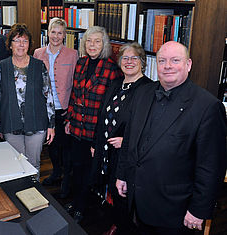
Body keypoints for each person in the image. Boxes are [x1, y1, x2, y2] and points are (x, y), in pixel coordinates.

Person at [116, 41, 227, 235]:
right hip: (137, 199)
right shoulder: (142, 92)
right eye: (162, 61)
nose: (167, 66)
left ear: (188, 64)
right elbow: (129, 139)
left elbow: (211, 166)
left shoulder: (208, 106)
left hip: (175, 211)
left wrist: (198, 210)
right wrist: (122, 174)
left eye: (175, 60)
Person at [90, 42, 152, 235]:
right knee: (108, 190)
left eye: (134, 58)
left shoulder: (148, 89)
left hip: (126, 155)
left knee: (122, 195)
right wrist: (96, 143)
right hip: (106, 150)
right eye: (125, 58)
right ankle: (113, 223)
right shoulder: (116, 83)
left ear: (142, 62)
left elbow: (150, 128)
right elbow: (102, 115)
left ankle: (122, 227)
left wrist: (127, 141)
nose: (129, 61)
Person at [64, 26, 123, 223]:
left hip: (95, 132)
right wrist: (69, 119)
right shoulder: (80, 63)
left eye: (97, 41)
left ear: (104, 44)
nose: (92, 45)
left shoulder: (111, 69)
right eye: (89, 41)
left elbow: (111, 108)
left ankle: (81, 207)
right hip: (77, 127)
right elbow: (74, 95)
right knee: (76, 167)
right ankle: (75, 201)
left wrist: (99, 140)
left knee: (89, 173)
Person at [0, 23, 55, 180]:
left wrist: (51, 125)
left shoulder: (39, 66)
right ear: (10, 44)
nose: (21, 45)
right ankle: (20, 198)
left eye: (25, 41)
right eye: (16, 40)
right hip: (11, 124)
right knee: (17, 163)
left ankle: (35, 197)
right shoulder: (2, 66)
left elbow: (48, 95)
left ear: (29, 44)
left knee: (33, 163)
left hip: (36, 123)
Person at [33, 18, 78, 197]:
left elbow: (76, 83)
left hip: (64, 109)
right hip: (44, 110)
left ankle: (67, 179)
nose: (56, 36)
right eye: (53, 32)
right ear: (48, 33)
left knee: (65, 147)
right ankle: (56, 172)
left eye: (60, 33)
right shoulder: (38, 53)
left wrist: (72, 109)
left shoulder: (72, 54)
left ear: (64, 35)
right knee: (50, 145)